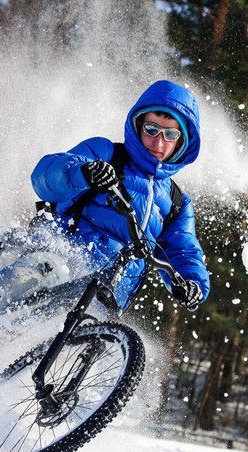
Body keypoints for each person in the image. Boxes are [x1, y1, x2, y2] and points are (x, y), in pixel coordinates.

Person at [30, 80, 210, 312]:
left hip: (104, 297)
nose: (159, 142)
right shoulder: (106, 155)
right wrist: (83, 172)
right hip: (57, 260)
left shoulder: (176, 203)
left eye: (170, 134)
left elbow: (184, 250)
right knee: (27, 277)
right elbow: (44, 177)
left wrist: (193, 284)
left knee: (99, 344)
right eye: (151, 130)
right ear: (138, 125)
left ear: (181, 141)